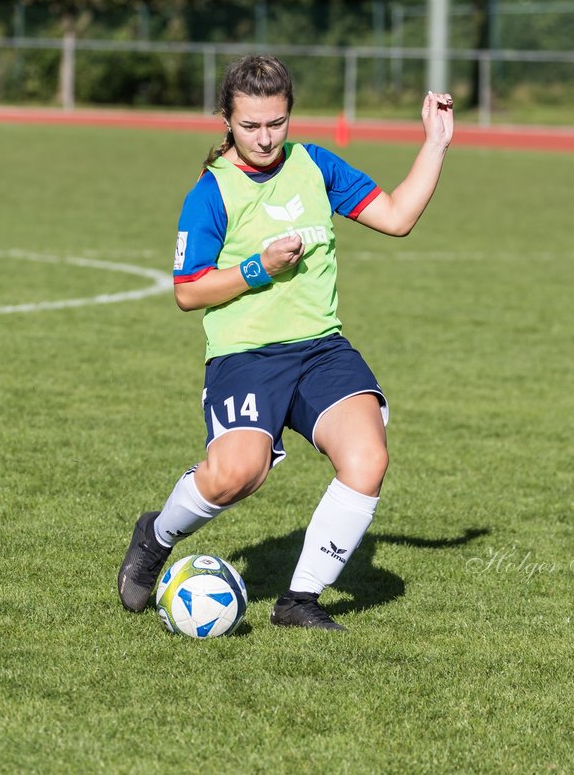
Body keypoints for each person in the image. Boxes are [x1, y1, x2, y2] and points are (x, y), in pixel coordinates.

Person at [117, 54, 454, 631]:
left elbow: (397, 217)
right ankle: (157, 535)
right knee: (237, 474)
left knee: (368, 458)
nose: (265, 137)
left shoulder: (314, 166)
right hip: (245, 356)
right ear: (226, 119)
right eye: (250, 125)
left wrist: (436, 143)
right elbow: (188, 292)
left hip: (321, 350)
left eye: (276, 123)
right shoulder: (212, 192)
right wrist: (258, 268)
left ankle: (299, 601)